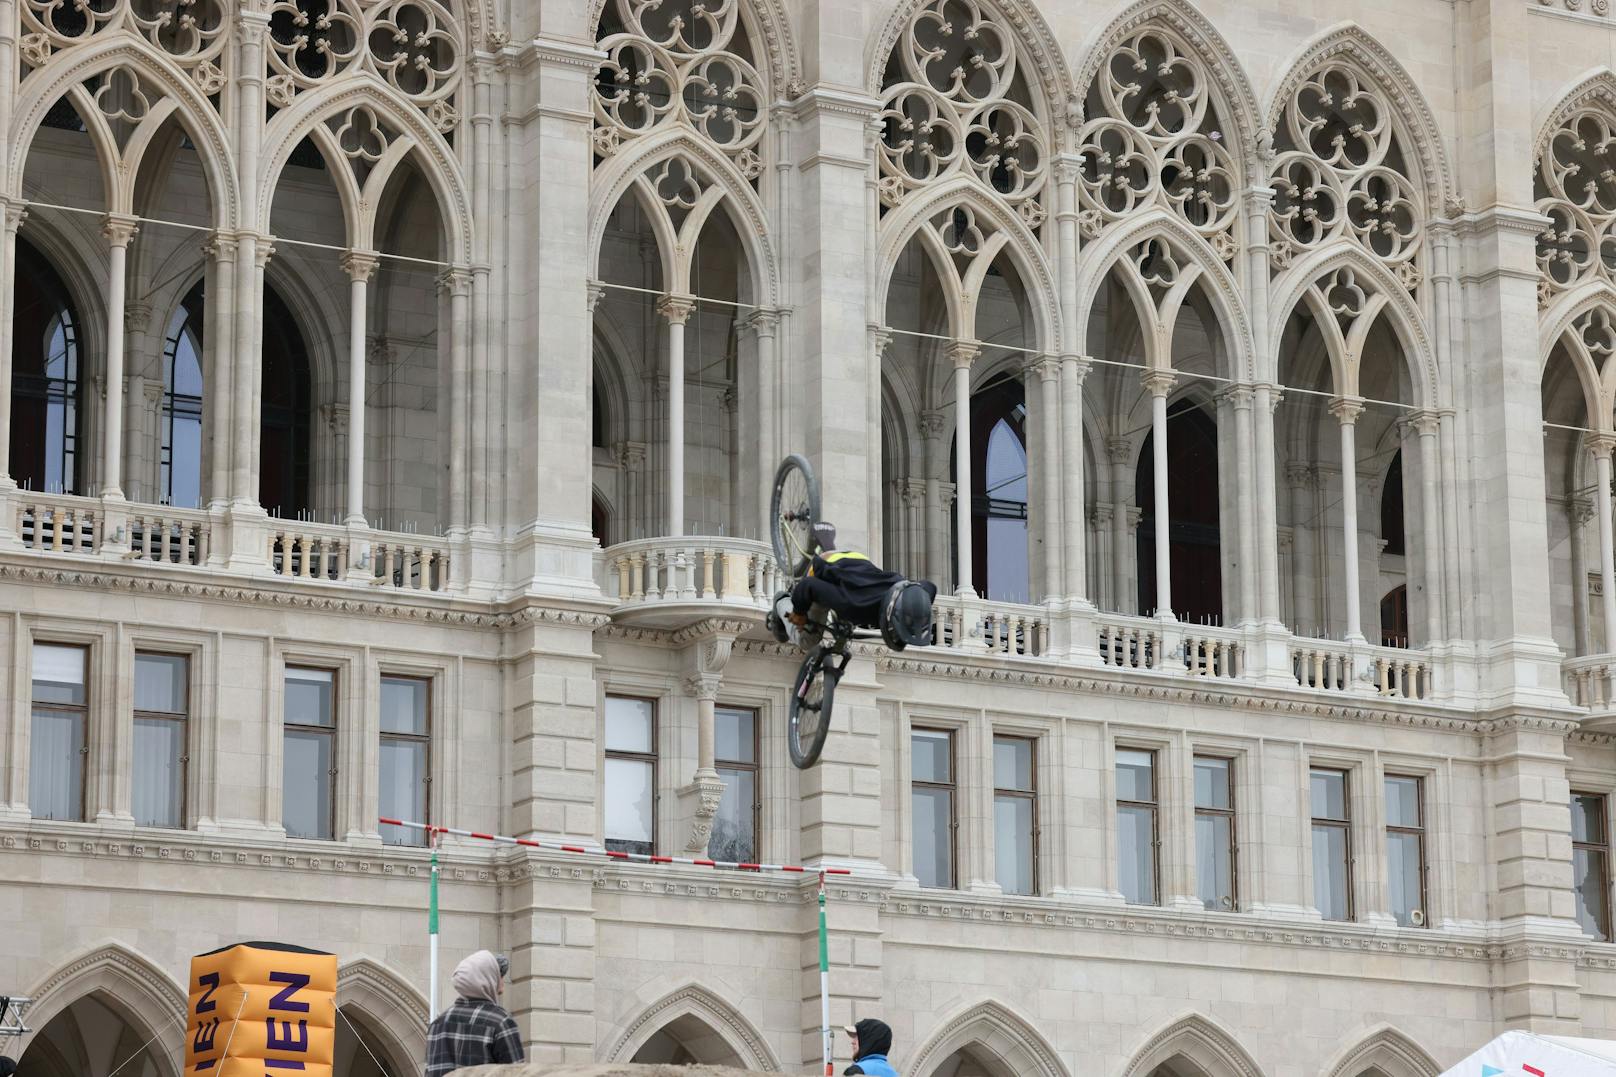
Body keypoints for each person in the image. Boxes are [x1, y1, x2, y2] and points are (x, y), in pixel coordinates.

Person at [770, 523, 936, 650]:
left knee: (845, 584)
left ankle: (825, 539)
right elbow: (808, 586)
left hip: (858, 561)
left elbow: (930, 587)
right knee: (807, 640)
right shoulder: (852, 604)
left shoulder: (908, 591)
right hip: (826, 569)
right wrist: (798, 613)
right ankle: (781, 601)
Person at [425, 950, 524, 1075]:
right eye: (499, 976)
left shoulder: (437, 1025)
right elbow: (517, 1073)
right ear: (487, 979)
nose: (502, 985)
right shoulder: (501, 1022)